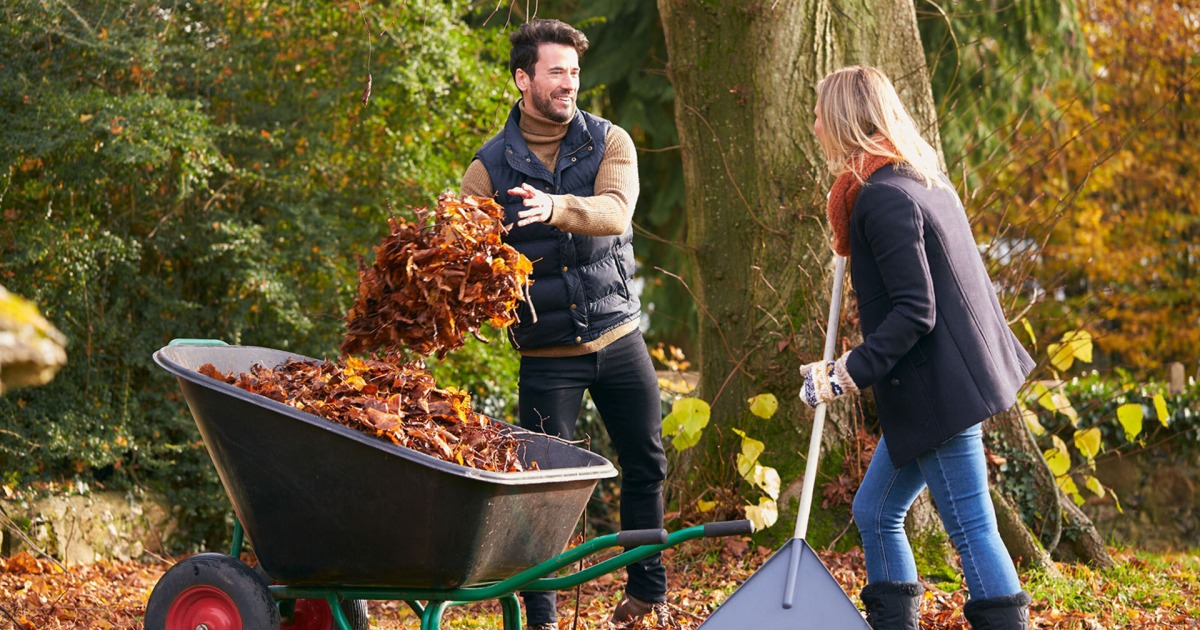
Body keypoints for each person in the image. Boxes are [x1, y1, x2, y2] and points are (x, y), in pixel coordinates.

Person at [799, 65, 1035, 630]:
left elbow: (915, 311)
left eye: (819, 115)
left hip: (938, 389)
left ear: (844, 120)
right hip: (943, 380)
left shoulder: (883, 197)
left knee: (972, 527)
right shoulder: (919, 180)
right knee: (875, 510)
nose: (814, 126)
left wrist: (844, 373)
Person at [460, 18, 668, 630]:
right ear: (523, 79)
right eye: (556, 72)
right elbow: (465, 257)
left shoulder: (609, 142)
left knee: (647, 463)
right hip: (547, 356)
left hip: (618, 337)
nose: (569, 83)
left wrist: (553, 206)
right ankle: (542, 618)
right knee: (540, 489)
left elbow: (616, 212)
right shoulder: (488, 169)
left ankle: (646, 593)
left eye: (574, 72)